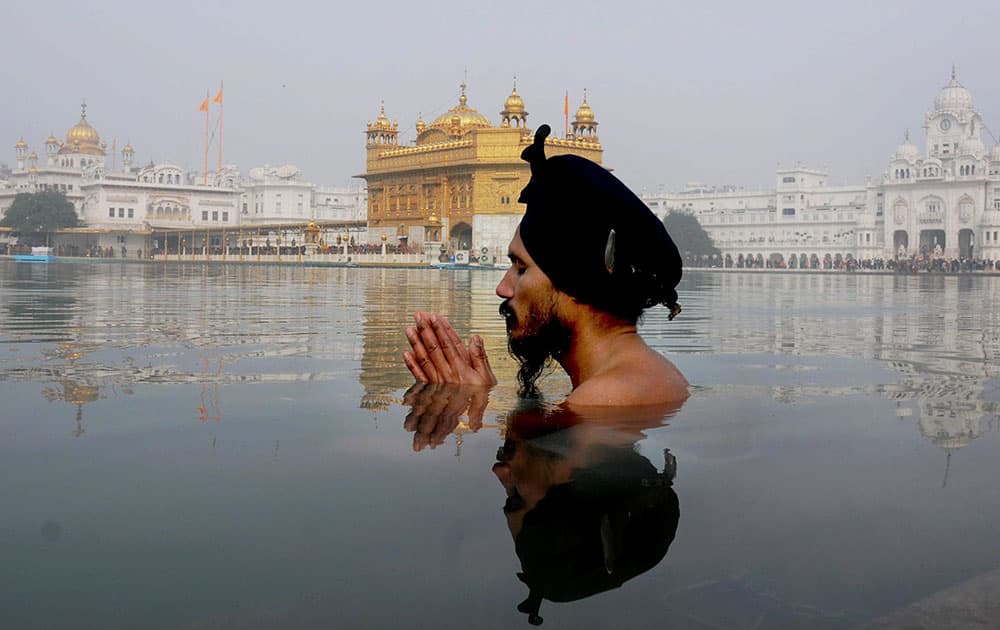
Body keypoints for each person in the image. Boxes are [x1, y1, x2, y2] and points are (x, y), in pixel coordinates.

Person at [404, 124, 688, 407]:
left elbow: (565, 446)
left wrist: (468, 401)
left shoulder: (604, 398)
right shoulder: (648, 378)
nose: (502, 288)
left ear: (575, 283)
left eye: (521, 268)